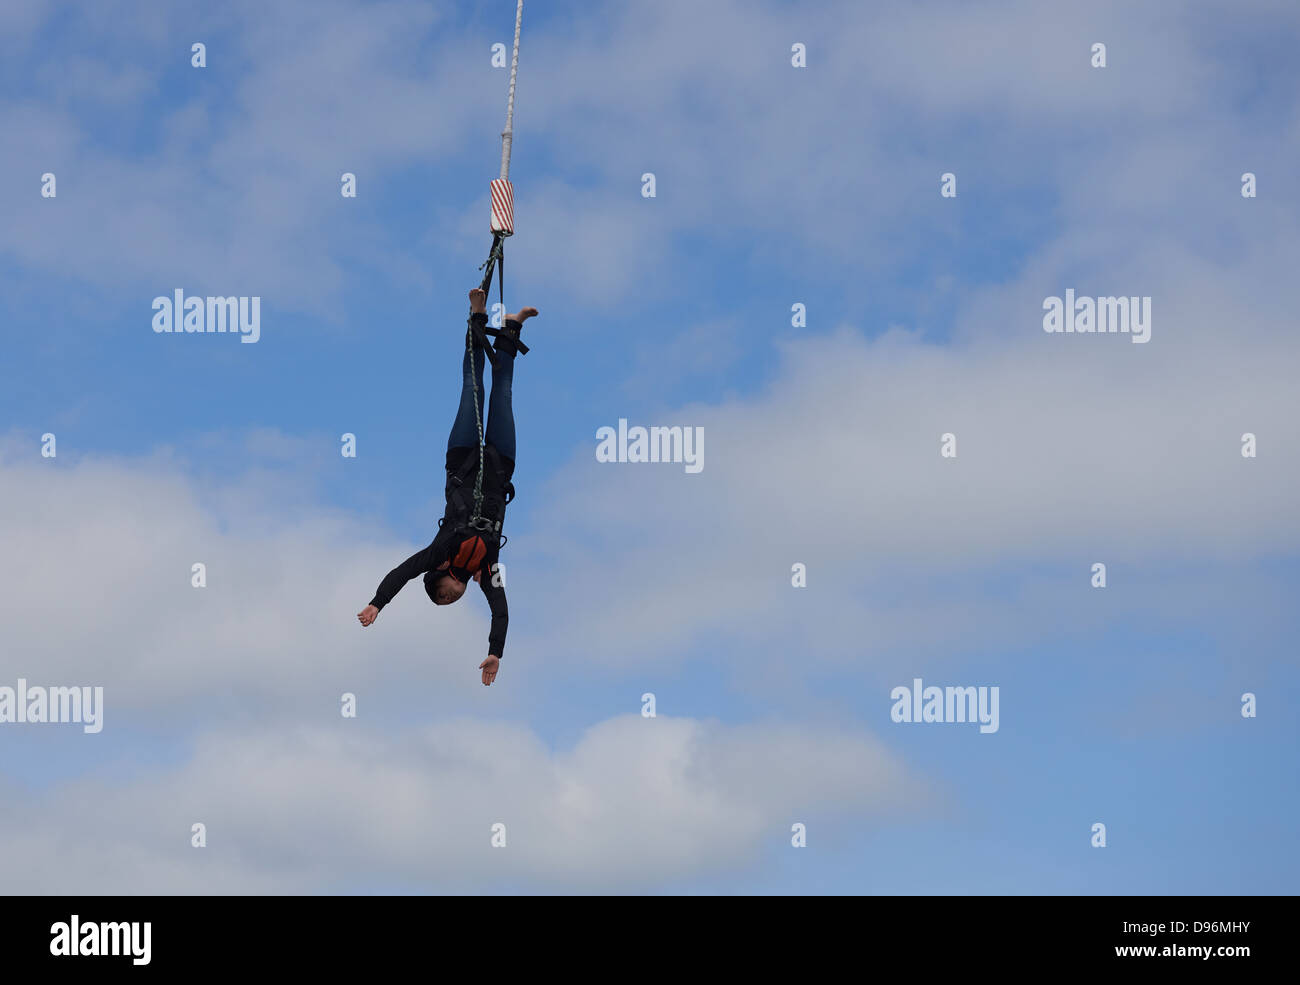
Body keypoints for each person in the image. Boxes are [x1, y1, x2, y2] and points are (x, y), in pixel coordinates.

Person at [357, 287, 538, 686]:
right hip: (498, 467)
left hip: (462, 459)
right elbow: (501, 611)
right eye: (451, 600)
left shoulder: (440, 552)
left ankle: (476, 315)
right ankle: (511, 327)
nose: (453, 598)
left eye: (444, 597)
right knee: (504, 396)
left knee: (473, 388)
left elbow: (402, 572)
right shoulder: (486, 565)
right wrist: (495, 651)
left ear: (439, 576)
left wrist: (376, 604)